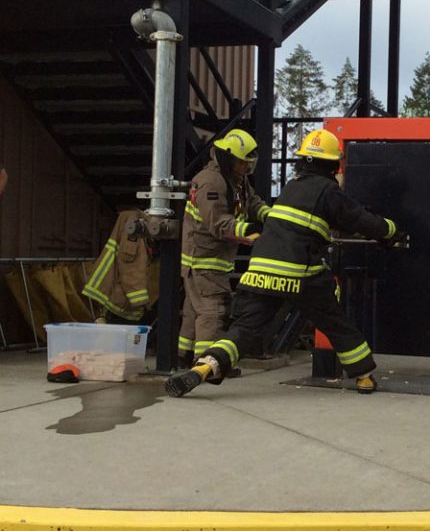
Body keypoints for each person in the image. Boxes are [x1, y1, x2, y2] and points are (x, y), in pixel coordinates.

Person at [165, 128, 405, 398]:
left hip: (260, 273)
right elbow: (359, 219)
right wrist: (391, 231)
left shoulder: (292, 187)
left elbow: (265, 209)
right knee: (335, 322)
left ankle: (205, 367)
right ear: (332, 163)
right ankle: (364, 376)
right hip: (301, 275)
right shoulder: (328, 191)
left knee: (244, 329)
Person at [177, 129, 271, 372]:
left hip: (210, 259)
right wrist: (255, 233)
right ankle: (208, 365)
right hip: (204, 259)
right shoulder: (211, 182)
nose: (247, 168)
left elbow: (252, 202)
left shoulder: (234, 179)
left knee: (194, 310)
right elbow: (219, 224)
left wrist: (272, 218)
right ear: (229, 158)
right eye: (243, 162)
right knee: (214, 310)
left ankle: (183, 356)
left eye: (250, 163)